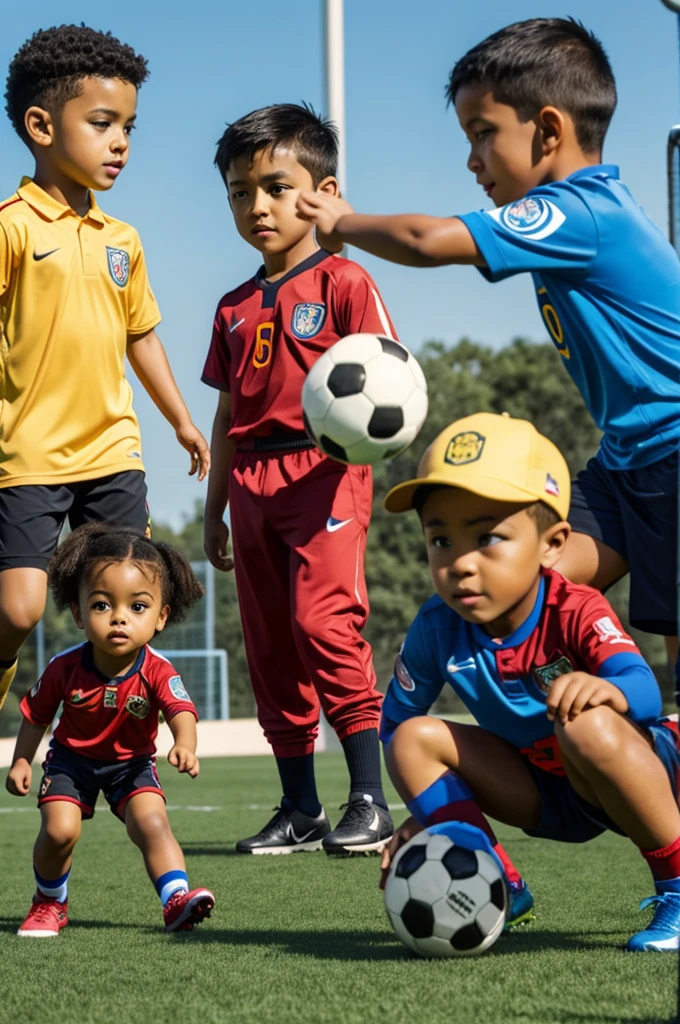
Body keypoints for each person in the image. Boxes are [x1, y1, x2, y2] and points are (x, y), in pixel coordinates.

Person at [296, 17, 680, 692]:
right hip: (625, 467)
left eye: (483, 133)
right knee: (514, 587)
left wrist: (340, 224)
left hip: (675, 459)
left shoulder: (582, 209)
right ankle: (545, 743)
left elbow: (425, 240)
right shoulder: (569, 217)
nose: (472, 159)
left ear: (551, 131)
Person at [377, 412, 680, 952]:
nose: (461, 563)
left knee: (586, 726)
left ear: (552, 544)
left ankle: (677, 886)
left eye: (488, 536)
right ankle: (498, 883)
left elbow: (646, 691)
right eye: (440, 539)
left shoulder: (574, 605)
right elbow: (396, 722)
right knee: (410, 739)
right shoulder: (436, 627)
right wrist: (434, 819)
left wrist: (607, 689)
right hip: (546, 793)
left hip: (638, 771)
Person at [202, 103, 396, 855]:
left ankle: (371, 801)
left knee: (324, 625)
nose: (258, 207)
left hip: (326, 471)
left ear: (322, 190)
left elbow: (390, 380)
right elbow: (224, 418)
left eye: (277, 188)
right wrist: (215, 509)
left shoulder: (347, 281)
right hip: (249, 481)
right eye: (239, 192)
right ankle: (299, 809)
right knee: (271, 644)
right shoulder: (231, 306)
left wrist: (358, 460)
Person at [0, 25, 210, 712]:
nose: (121, 141)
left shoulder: (124, 240)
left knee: (136, 600)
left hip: (113, 449)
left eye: (129, 126)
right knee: (21, 611)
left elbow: (140, 335)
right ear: (40, 125)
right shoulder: (11, 227)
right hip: (27, 455)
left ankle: (119, 755)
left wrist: (181, 420)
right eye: (102, 123)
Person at [5, 523, 215, 935]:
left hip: (131, 765)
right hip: (70, 764)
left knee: (152, 823)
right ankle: (49, 902)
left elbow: (180, 711)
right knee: (58, 831)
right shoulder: (64, 667)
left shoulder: (157, 669)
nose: (119, 618)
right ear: (80, 614)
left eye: (137, 607)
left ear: (161, 617)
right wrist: (21, 762)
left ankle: (175, 900)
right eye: (102, 606)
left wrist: (185, 745)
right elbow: (36, 716)